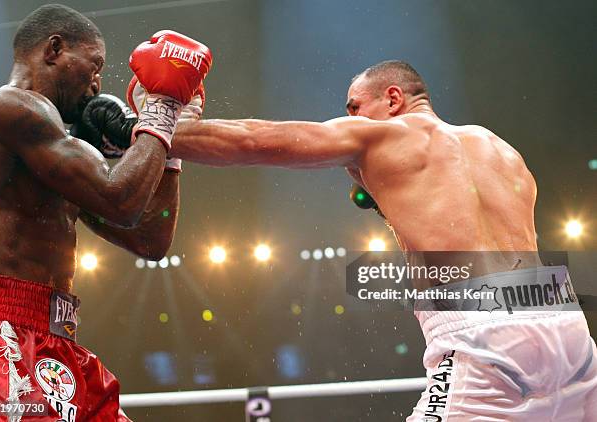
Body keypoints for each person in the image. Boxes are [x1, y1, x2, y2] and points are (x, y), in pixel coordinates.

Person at [87, 60, 596, 420]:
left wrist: (158, 123)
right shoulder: (498, 148)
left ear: (392, 99)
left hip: (479, 336)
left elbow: (254, 141)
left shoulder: (382, 136)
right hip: (563, 321)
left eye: (356, 106)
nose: (351, 118)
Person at [0, 4, 210, 421]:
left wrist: (168, 145)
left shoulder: (56, 149)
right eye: (94, 66)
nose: (97, 84)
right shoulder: (11, 108)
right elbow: (120, 202)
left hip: (56, 339)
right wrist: (160, 111)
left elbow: (149, 239)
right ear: (55, 49)